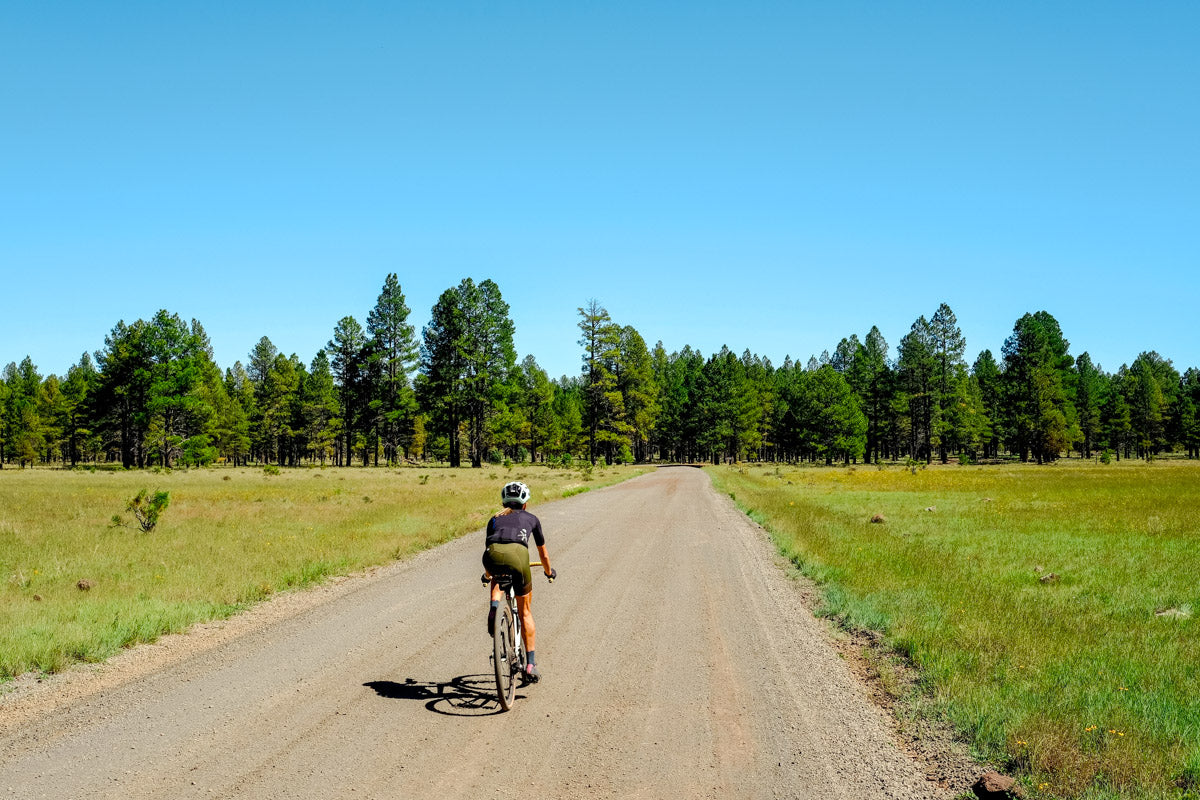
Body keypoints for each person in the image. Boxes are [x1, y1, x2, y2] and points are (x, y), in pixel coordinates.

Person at [482, 481, 555, 682]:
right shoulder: (532, 518)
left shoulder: (494, 518)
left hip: (492, 557)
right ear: (525, 503)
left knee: (496, 574)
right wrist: (549, 573)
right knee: (525, 612)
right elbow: (544, 554)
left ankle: (494, 608)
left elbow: (491, 547)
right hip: (518, 557)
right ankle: (530, 664)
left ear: (504, 501)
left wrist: (487, 575)